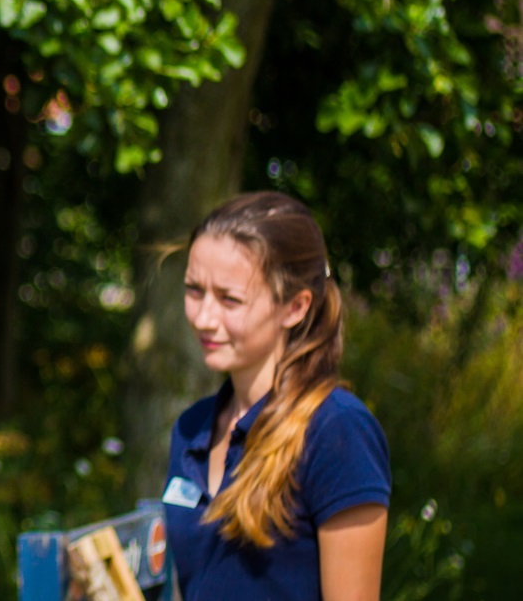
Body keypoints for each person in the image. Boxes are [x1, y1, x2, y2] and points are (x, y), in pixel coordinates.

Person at [162, 192, 390, 600]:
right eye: (194, 290)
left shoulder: (337, 431)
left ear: (295, 307)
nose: (203, 318)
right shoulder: (191, 428)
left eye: (230, 299)